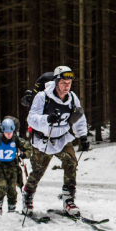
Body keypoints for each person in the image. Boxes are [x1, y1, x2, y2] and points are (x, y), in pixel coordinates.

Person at [21, 66, 89, 217]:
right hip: (43, 140)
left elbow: (79, 117)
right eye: (63, 83)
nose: (66, 86)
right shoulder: (42, 97)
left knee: (71, 162)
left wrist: (82, 136)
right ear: (57, 82)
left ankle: (68, 199)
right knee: (38, 170)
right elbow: (31, 118)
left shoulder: (72, 97)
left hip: (62, 138)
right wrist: (46, 119)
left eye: (69, 83)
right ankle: (28, 196)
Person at [0, 118, 33, 215]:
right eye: (6, 132)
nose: (9, 134)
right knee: (1, 187)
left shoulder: (17, 140)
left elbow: (29, 149)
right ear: (3, 131)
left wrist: (24, 154)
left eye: (11, 132)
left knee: (12, 189)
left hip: (13, 167)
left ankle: (12, 210)